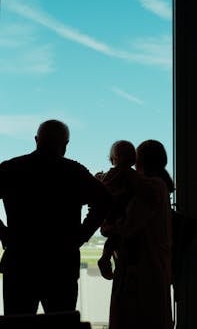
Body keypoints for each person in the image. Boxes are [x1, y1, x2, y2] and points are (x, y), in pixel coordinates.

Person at [0, 119, 112, 315]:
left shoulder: (11, 168)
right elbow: (105, 201)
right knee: (61, 323)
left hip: (20, 262)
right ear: (65, 144)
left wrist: (3, 233)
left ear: (36, 140)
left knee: (17, 325)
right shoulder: (74, 172)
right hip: (61, 264)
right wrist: (81, 235)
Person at [106, 139, 174, 329]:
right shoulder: (157, 187)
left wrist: (109, 227)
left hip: (143, 272)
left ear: (139, 161)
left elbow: (128, 227)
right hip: (152, 270)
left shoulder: (152, 188)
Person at [96, 140, 138, 280]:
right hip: (125, 215)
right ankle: (106, 258)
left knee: (113, 239)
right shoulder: (134, 176)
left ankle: (105, 257)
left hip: (112, 214)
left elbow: (103, 187)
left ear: (113, 158)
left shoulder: (111, 174)